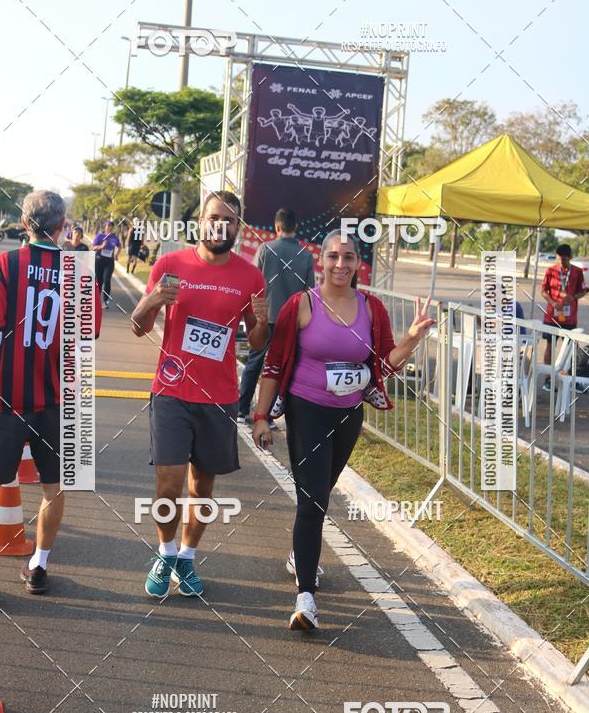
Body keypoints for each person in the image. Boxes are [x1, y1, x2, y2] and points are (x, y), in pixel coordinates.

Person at [252, 229, 434, 631]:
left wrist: (412, 339)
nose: (340, 264)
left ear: (357, 264)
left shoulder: (372, 308)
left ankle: (300, 555)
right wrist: (261, 416)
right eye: (333, 256)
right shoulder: (301, 305)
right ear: (322, 261)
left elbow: (384, 366)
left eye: (348, 257)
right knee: (313, 499)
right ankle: (306, 599)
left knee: (319, 494)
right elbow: (274, 364)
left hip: (348, 415)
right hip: (306, 412)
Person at [131, 190, 268, 600]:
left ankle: (187, 557)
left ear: (238, 228)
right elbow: (138, 326)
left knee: (202, 489)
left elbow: (257, 342)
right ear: (201, 221)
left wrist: (261, 322)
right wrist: (154, 299)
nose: (220, 225)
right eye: (214, 217)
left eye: (229, 219)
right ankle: (165, 552)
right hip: (172, 390)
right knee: (168, 484)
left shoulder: (250, 276)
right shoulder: (171, 265)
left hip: (219, 395)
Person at [0, 191, 101, 602]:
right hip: (59, 399)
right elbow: (86, 339)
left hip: (8, 396)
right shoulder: (80, 271)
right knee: (54, 486)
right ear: (62, 225)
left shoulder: (5, 264)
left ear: (24, 223)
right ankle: (39, 565)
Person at [238, 208, 315, 424]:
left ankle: (242, 410)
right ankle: (269, 416)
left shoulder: (265, 249)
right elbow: (309, 292)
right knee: (279, 368)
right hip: (291, 321)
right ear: (295, 227)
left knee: (254, 363)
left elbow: (252, 282)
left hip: (265, 317)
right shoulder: (306, 256)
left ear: (277, 226)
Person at [541, 244, 586, 364]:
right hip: (552, 317)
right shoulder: (551, 270)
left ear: (570, 257)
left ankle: (568, 378)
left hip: (569, 318)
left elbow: (582, 291)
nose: (561, 263)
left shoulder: (577, 272)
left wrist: (573, 297)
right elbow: (543, 291)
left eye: (564, 260)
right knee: (550, 346)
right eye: (559, 259)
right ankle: (548, 378)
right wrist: (553, 302)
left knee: (570, 349)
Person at [92, 220, 121, 309]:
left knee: (107, 280)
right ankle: (96, 301)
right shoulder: (100, 236)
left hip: (109, 262)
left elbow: (119, 246)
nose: (110, 227)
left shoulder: (114, 237)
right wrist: (101, 246)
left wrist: (116, 254)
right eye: (108, 226)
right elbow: (93, 248)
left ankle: (105, 301)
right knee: (99, 282)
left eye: (111, 226)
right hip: (99, 261)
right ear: (105, 227)